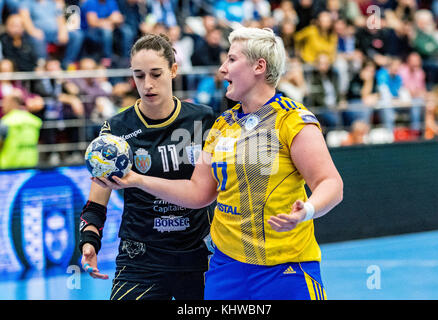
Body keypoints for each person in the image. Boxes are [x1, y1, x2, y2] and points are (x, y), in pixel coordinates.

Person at [94, 27, 344, 300]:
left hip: (286, 269)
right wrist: (137, 180)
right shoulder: (221, 126)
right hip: (227, 270)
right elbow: (198, 193)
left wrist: (307, 210)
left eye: (232, 60)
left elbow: (331, 183)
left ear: (259, 66)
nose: (223, 69)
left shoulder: (292, 120)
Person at [79, 33, 216, 300]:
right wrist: (89, 240)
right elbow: (96, 202)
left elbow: (213, 189)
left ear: (174, 70)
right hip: (140, 258)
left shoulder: (202, 119)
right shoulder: (116, 130)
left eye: (156, 74)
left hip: (198, 255)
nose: (147, 84)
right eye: (139, 76)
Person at [0, 94, 42, 169]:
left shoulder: (6, 121)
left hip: (8, 168)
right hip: (31, 165)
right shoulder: (34, 120)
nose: (3, 106)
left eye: (5, 103)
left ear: (13, 103)